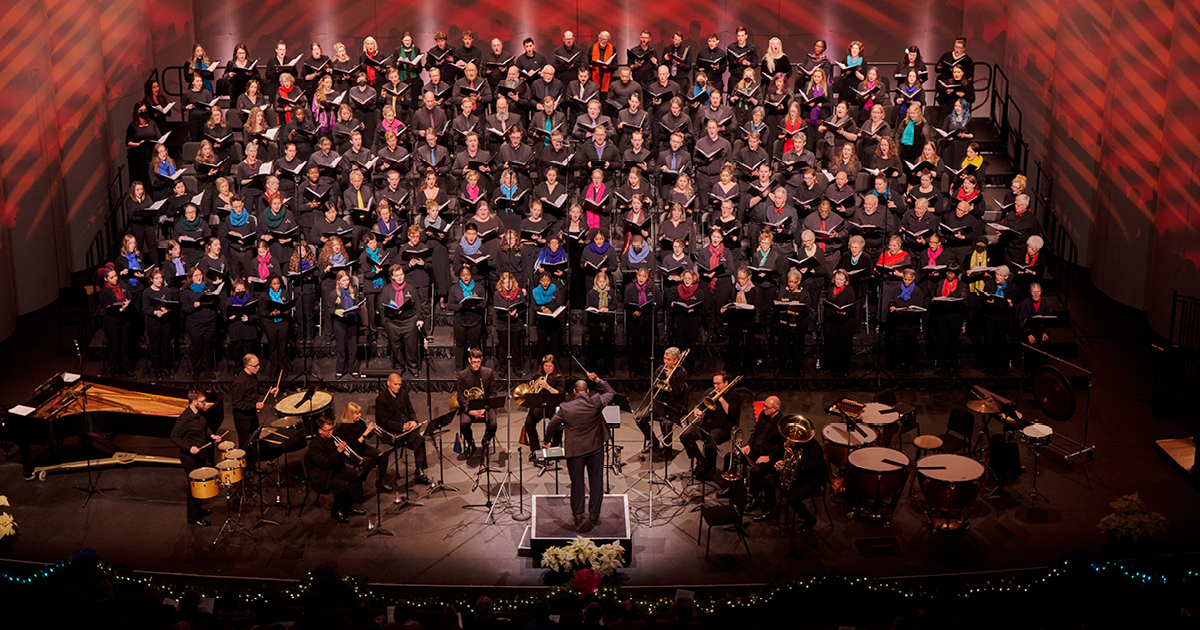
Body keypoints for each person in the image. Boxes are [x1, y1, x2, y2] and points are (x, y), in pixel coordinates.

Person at [546, 372, 616, 527]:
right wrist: (598, 379)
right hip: (596, 448)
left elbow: (551, 426)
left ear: (574, 393)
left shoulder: (565, 408)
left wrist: (547, 442)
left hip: (575, 451)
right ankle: (594, 514)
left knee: (577, 482)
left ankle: (578, 514)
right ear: (587, 391)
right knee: (596, 481)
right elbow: (611, 392)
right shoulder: (596, 401)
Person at [730, 395, 785, 521]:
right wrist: (748, 445)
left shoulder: (781, 423)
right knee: (733, 455)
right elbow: (755, 433)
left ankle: (754, 497)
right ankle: (732, 487)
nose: (763, 408)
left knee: (756, 470)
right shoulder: (763, 415)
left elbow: (782, 446)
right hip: (756, 450)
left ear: (775, 409)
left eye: (766, 407)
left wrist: (769, 457)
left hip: (769, 456)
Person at [170, 390, 221, 526]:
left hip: (200, 454)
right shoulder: (184, 419)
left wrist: (212, 436)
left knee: (199, 485)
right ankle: (193, 518)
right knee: (193, 488)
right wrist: (188, 447)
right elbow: (174, 436)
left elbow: (205, 428)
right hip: (189, 458)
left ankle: (198, 510)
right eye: (203, 401)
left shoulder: (201, 413)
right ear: (194, 402)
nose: (205, 403)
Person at [679, 372, 741, 477]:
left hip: (723, 427)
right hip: (707, 424)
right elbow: (700, 405)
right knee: (685, 436)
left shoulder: (734, 395)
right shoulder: (710, 391)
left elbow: (731, 413)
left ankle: (709, 467)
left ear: (726, 383)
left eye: (718, 383)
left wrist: (720, 398)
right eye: (714, 383)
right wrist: (697, 410)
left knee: (709, 444)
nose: (715, 386)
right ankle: (700, 460)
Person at [375, 373, 433, 486]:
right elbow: (384, 422)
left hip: (406, 428)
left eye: (399, 384)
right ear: (388, 383)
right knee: (385, 452)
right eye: (395, 384)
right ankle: (381, 480)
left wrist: (414, 421)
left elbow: (410, 410)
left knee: (419, 440)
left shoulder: (403, 394)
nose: (398, 387)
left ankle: (419, 470)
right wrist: (402, 426)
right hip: (391, 432)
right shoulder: (381, 399)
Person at [306, 417, 367, 524]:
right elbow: (324, 463)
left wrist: (343, 448)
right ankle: (337, 512)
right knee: (343, 487)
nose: (331, 432)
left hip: (334, 468)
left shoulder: (331, 438)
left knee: (357, 476)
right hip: (323, 474)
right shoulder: (315, 446)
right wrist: (338, 451)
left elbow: (336, 457)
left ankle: (349, 505)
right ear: (320, 431)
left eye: (332, 429)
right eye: (328, 430)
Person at [635, 346, 688, 456]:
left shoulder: (682, 372)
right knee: (639, 418)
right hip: (659, 403)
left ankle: (667, 448)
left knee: (666, 423)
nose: (665, 361)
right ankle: (654, 442)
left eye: (668, 359)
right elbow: (653, 391)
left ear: (675, 361)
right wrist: (659, 384)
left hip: (674, 405)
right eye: (664, 358)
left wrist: (671, 378)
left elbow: (678, 393)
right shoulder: (660, 370)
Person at [777, 424, 826, 533]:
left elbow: (808, 471)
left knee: (792, 499)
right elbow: (790, 457)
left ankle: (809, 518)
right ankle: (771, 510)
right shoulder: (797, 445)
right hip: (801, 476)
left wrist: (793, 465)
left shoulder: (815, 450)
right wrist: (783, 462)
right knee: (771, 481)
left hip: (812, 481)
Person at [380, 265, 427, 377]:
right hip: (393, 322)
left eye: (401, 274)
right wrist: (387, 321)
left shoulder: (411, 288)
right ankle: (399, 366)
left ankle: (413, 366)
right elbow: (382, 308)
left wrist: (419, 319)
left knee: (411, 345)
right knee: (396, 346)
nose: (400, 277)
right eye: (397, 275)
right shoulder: (387, 290)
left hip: (409, 321)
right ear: (392, 277)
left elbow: (417, 305)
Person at [230, 353, 278, 451]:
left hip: (252, 413)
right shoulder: (240, 381)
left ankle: (254, 462)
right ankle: (247, 465)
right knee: (246, 443)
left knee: (255, 438)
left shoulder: (252, 375)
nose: (258, 367)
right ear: (248, 366)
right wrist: (254, 405)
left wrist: (269, 391)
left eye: (258, 364)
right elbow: (236, 403)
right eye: (256, 366)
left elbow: (256, 389)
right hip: (243, 418)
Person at [522, 355, 565, 461]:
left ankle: (554, 449)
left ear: (554, 366)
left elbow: (561, 393)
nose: (548, 368)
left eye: (550, 366)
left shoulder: (559, 378)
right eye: (545, 366)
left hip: (553, 406)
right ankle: (535, 450)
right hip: (539, 405)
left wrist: (547, 387)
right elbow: (529, 390)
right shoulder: (537, 376)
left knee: (558, 423)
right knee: (529, 423)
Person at [457, 348, 498, 456]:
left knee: (493, 424)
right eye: (474, 362)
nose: (476, 365)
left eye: (478, 362)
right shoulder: (463, 375)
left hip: (485, 406)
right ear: (469, 360)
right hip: (470, 407)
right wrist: (469, 411)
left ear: (481, 360)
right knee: (464, 424)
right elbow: (460, 395)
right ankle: (471, 442)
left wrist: (484, 408)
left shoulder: (488, 373)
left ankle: (485, 440)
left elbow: (493, 393)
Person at [98, 263, 137, 377]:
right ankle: (114, 371)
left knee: (125, 345)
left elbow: (129, 296)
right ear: (106, 279)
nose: (115, 279)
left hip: (125, 319)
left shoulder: (122, 284)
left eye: (115, 276)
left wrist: (128, 303)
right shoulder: (104, 292)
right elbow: (108, 308)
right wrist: (120, 309)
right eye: (112, 277)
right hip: (113, 321)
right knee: (114, 346)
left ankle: (126, 368)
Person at [141, 268, 176, 379]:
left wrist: (167, 310)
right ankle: (157, 369)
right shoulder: (147, 292)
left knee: (165, 346)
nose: (159, 280)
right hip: (153, 323)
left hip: (165, 322)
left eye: (160, 278)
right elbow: (145, 309)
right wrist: (155, 312)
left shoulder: (167, 291)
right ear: (151, 279)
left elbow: (169, 305)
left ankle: (165, 368)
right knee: (155, 347)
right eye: (156, 278)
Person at [259, 275, 292, 377]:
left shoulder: (284, 293)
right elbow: (261, 311)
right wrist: (271, 314)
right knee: (273, 347)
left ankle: (283, 369)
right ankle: (274, 369)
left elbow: (289, 305)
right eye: (274, 284)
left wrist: (287, 310)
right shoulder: (264, 296)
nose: (277, 285)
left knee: (282, 347)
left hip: (283, 322)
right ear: (270, 285)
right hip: (270, 323)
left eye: (278, 283)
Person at [330, 270, 361, 378]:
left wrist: (358, 309)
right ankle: (341, 369)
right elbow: (330, 309)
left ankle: (353, 368)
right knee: (341, 347)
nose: (346, 282)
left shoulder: (353, 291)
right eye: (343, 280)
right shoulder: (334, 294)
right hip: (340, 323)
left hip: (352, 321)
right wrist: (337, 312)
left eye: (347, 280)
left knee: (352, 347)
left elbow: (357, 304)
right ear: (338, 281)